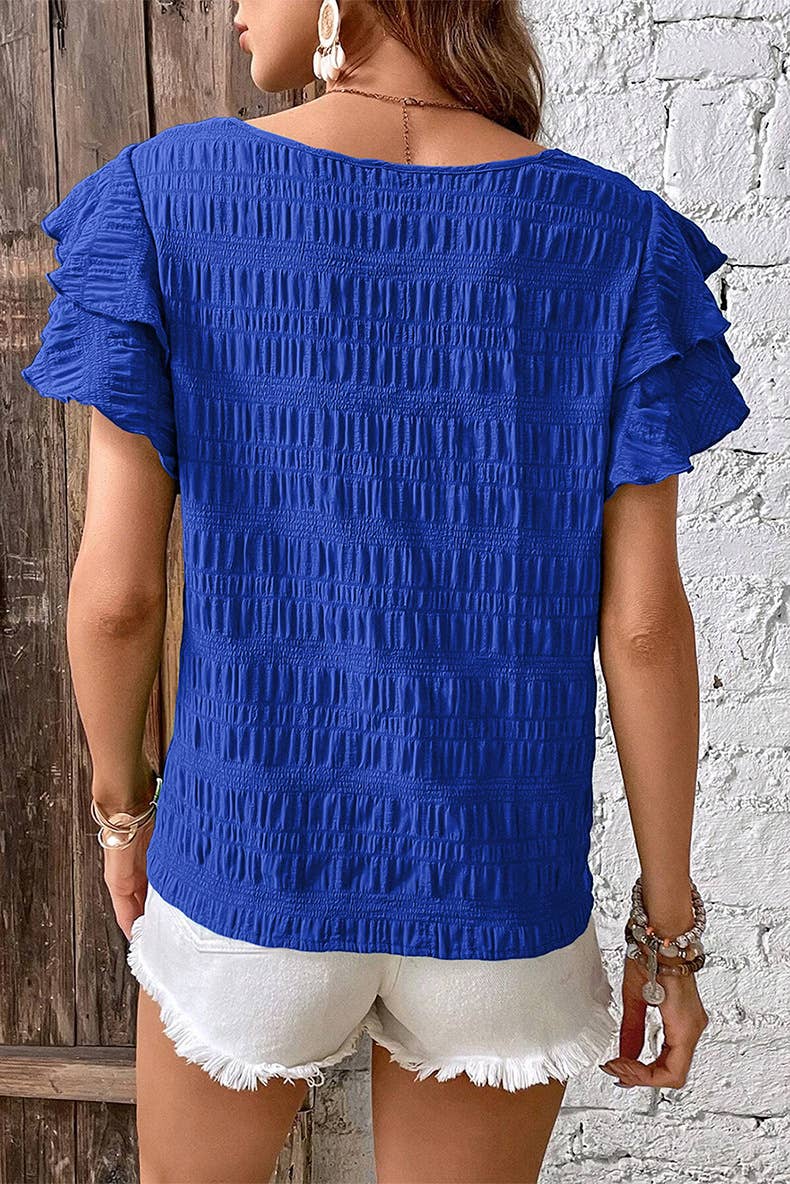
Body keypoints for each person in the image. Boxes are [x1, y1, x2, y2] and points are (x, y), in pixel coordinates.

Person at [20, 1, 750, 1181]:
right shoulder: (619, 237)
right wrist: (666, 929)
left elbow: (115, 597)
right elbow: (644, 627)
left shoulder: (159, 199)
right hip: (499, 888)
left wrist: (122, 811)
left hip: (252, 861)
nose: (236, 9)